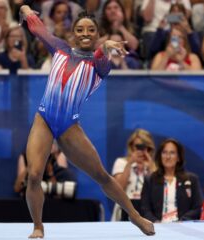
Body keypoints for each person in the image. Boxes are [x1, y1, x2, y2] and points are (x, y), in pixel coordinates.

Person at [19, 5, 155, 238]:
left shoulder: (100, 65)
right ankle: (38, 226)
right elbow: (39, 29)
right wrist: (25, 9)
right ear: (73, 33)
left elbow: (101, 55)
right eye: (80, 29)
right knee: (33, 175)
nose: (85, 33)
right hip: (44, 119)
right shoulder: (60, 49)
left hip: (69, 127)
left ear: (97, 33)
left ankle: (135, 216)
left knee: (102, 175)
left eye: (90, 30)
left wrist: (106, 46)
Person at [140, 139, 203, 223]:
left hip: (183, 227)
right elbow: (144, 208)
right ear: (160, 156)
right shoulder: (150, 179)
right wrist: (155, 222)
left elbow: (197, 208)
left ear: (178, 158)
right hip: (157, 227)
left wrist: (182, 221)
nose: (168, 157)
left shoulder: (191, 180)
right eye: (164, 152)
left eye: (172, 153)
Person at [111, 129, 156, 221]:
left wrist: (150, 167)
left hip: (147, 212)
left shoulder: (154, 167)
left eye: (144, 147)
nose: (141, 150)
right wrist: (130, 163)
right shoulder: (122, 162)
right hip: (125, 209)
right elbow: (118, 189)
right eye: (138, 146)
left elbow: (158, 192)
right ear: (131, 147)